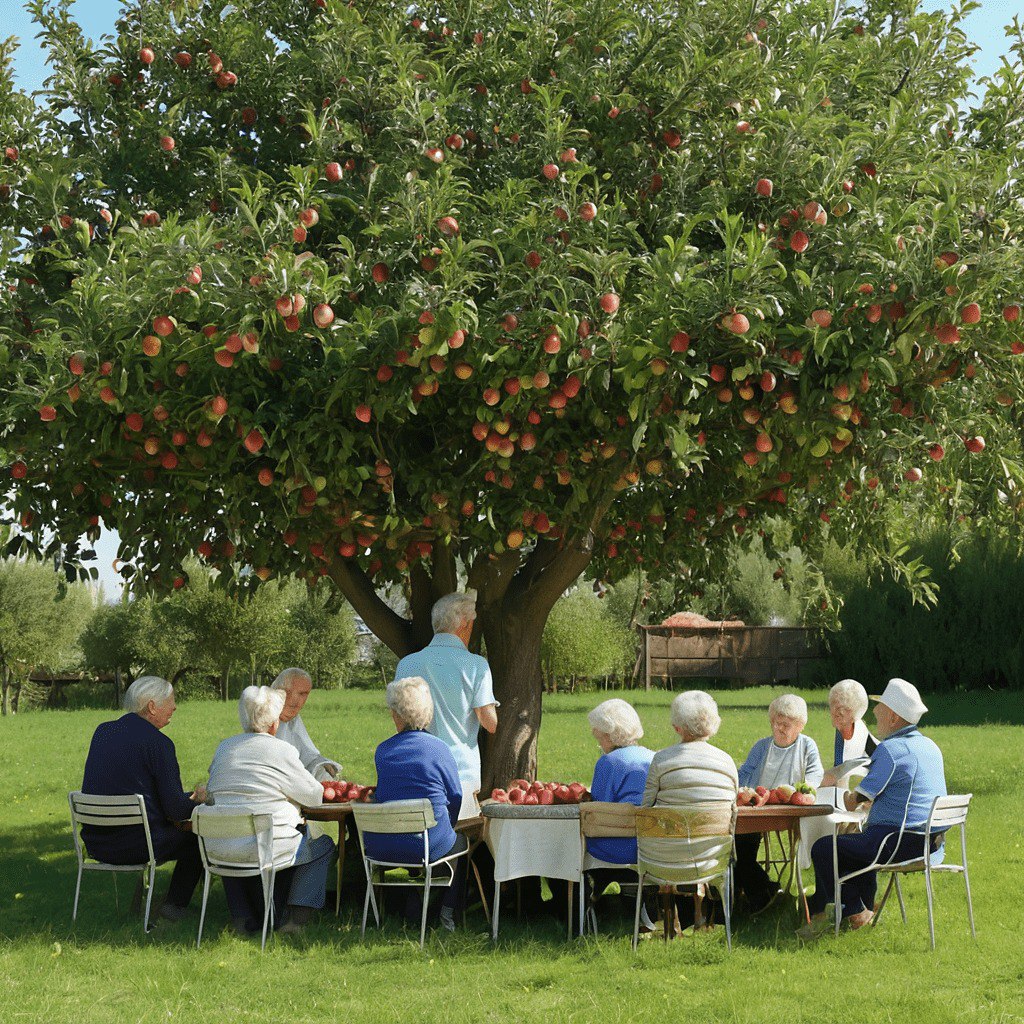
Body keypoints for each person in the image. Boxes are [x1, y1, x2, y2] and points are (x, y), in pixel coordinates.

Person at [800, 678, 947, 940]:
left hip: (897, 842)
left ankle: (856, 910)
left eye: (879, 707)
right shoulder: (930, 747)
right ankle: (861, 909)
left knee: (824, 848)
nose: (874, 712)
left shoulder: (891, 749)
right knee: (853, 846)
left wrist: (843, 795)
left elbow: (854, 800)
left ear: (892, 716)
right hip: (931, 844)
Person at [205, 685, 335, 935]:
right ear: (275, 722)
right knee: (323, 846)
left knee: (237, 838)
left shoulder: (225, 748)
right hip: (268, 846)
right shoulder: (281, 750)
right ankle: (296, 921)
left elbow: (213, 787)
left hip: (220, 846)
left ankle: (241, 918)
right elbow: (314, 795)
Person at [80, 676, 205, 921]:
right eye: (171, 701)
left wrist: (183, 797)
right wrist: (198, 802)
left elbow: (139, 792)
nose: (175, 707)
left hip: (97, 843)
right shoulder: (160, 744)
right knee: (200, 838)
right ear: (151, 707)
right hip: (139, 844)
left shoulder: (102, 732)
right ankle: (173, 907)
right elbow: (177, 811)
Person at [364, 676, 467, 932]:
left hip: (383, 845)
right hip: (429, 843)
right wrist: (449, 825)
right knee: (461, 843)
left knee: (421, 841)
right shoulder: (440, 749)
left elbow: (386, 793)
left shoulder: (383, 750)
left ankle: (405, 909)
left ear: (396, 715)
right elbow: (455, 796)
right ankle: (445, 914)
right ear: (427, 713)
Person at [393, 591, 498, 818]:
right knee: (457, 838)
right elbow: (490, 723)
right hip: (460, 774)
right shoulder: (476, 666)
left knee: (420, 834)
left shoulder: (407, 664)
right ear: (464, 624)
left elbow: (398, 720)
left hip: (415, 767)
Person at [641, 691, 738, 931]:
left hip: (662, 862)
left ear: (677, 727)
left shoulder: (662, 760)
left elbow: (646, 810)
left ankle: (660, 918)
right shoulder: (727, 762)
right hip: (711, 860)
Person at [735, 694, 825, 912]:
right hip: (757, 807)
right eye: (776, 722)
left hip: (791, 808)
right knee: (739, 849)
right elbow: (744, 774)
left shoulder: (807, 746)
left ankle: (756, 895)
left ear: (800, 726)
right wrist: (742, 791)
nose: (779, 728)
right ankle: (763, 892)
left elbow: (815, 774)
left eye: (786, 724)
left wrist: (805, 790)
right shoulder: (762, 746)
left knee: (741, 858)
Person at [799, 678, 878, 870]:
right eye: (832, 706)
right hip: (856, 796)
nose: (834, 713)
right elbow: (838, 773)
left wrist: (805, 782)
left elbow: (839, 777)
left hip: (867, 801)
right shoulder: (844, 729)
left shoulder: (854, 733)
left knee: (810, 809)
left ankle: (821, 863)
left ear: (853, 714)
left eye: (841, 710)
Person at [271, 667, 343, 781]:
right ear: (282, 691)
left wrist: (320, 763)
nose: (302, 700)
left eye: (306, 694)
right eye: (301, 693)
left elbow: (305, 752)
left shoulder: (293, 719)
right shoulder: (263, 715)